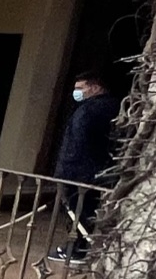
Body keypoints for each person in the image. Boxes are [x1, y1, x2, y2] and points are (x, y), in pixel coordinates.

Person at [48, 71, 121, 262]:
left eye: (81, 88)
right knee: (85, 211)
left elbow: (79, 144)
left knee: (78, 211)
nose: (77, 92)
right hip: (94, 170)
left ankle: (78, 249)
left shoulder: (91, 110)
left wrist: (65, 171)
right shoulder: (111, 107)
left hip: (80, 171)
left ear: (95, 88)